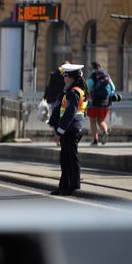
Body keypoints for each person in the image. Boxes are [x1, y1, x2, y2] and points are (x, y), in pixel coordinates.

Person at [47, 63, 89, 196]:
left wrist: (59, 132)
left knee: (70, 158)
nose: (63, 78)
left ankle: (73, 185)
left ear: (70, 77)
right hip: (73, 128)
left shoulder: (73, 92)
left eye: (65, 75)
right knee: (65, 158)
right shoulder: (75, 90)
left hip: (70, 129)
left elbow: (70, 113)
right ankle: (64, 185)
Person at [86, 62, 115, 146]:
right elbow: (113, 87)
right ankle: (105, 131)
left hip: (93, 103)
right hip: (105, 103)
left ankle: (95, 140)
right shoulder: (106, 76)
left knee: (93, 122)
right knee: (101, 121)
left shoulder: (93, 77)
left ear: (92, 69)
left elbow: (87, 88)